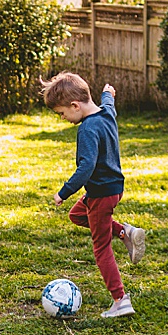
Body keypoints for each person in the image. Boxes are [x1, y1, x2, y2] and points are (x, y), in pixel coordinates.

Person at [41, 71, 146, 318]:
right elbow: (108, 101)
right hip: (114, 188)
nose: (63, 118)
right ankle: (124, 232)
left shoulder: (87, 129)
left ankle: (121, 300)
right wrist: (107, 93)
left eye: (62, 113)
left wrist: (63, 192)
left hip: (100, 193)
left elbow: (86, 167)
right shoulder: (106, 113)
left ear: (75, 105)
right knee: (77, 215)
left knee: (101, 249)